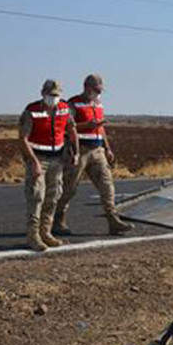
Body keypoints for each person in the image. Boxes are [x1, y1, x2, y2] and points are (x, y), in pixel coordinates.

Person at [53, 74, 134, 236]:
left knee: (107, 186)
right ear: (87, 87)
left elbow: (101, 129)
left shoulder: (98, 105)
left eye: (100, 91)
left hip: (97, 151)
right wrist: (86, 125)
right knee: (69, 187)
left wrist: (108, 148)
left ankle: (113, 220)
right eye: (96, 90)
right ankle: (57, 220)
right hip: (78, 150)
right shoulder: (73, 104)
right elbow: (66, 126)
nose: (98, 93)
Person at [19, 79, 79, 251]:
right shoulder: (32, 111)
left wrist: (75, 152)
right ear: (43, 93)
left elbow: (72, 130)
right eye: (50, 95)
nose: (53, 98)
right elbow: (23, 139)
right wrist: (34, 162)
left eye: (56, 95)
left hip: (57, 159)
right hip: (38, 159)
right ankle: (33, 236)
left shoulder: (64, 110)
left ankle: (46, 232)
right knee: (36, 196)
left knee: (53, 196)